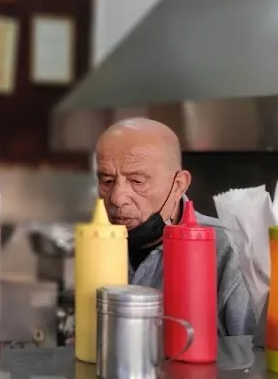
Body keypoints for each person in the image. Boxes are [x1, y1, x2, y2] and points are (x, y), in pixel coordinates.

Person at [95, 117, 256, 336]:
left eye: (137, 181)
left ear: (179, 185)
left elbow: (253, 352)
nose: (117, 198)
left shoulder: (231, 250)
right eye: (107, 181)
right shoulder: (95, 244)